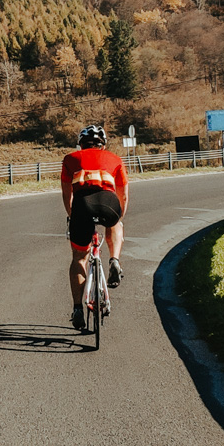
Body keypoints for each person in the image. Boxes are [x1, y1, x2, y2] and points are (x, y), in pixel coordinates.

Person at [60, 122, 128, 331]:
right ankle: (114, 260)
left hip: (82, 205)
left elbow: (66, 194)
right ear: (103, 144)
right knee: (115, 222)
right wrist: (119, 216)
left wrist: (73, 216)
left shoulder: (70, 159)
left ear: (81, 144)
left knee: (79, 258)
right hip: (109, 203)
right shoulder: (115, 159)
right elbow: (123, 194)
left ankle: (78, 308)